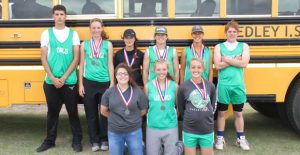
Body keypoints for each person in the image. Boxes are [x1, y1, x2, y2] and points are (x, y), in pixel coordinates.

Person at [36, 5, 82, 152]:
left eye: (62, 14)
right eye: (57, 14)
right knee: (52, 113)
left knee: (73, 112)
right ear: (53, 16)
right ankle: (50, 141)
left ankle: (77, 141)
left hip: (69, 81)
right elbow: (43, 58)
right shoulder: (46, 34)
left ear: (66, 16)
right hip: (51, 82)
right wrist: (53, 78)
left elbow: (76, 59)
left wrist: (62, 78)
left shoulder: (73, 34)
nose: (60, 17)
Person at [78, 18, 114, 151]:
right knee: (91, 113)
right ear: (90, 29)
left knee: (104, 112)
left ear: (102, 28)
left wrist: (112, 83)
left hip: (104, 82)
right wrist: (81, 84)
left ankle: (104, 139)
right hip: (89, 82)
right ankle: (94, 141)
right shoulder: (84, 45)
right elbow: (81, 65)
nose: (96, 30)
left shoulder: (108, 45)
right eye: (93, 28)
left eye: (98, 27)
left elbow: (110, 65)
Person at [214, 20, 250, 150]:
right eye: (229, 31)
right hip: (223, 85)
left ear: (238, 33)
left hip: (238, 85)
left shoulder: (244, 46)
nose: (232, 33)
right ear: (225, 33)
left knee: (238, 114)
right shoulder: (219, 47)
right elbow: (217, 65)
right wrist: (235, 59)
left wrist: (226, 59)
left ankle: (241, 139)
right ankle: (220, 139)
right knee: (221, 113)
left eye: (234, 31)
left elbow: (244, 63)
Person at [100, 63, 148, 155]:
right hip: (115, 132)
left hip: (134, 131)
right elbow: (103, 111)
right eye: (120, 74)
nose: (122, 76)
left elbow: (143, 110)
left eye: (125, 74)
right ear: (115, 76)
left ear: (129, 76)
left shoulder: (138, 91)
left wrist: (132, 118)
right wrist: (115, 119)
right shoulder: (109, 92)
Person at [178, 58, 216, 155]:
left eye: (199, 67)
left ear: (203, 69)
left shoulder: (210, 86)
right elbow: (181, 108)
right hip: (189, 129)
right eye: (193, 67)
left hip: (206, 128)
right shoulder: (183, 86)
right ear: (189, 69)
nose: (196, 70)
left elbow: (212, 104)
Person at [144, 59, 179, 155]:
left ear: (168, 70)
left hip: (170, 125)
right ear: (154, 70)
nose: (161, 72)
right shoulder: (148, 86)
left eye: (164, 69)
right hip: (153, 126)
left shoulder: (174, 86)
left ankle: (179, 147)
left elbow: (177, 106)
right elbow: (146, 105)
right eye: (158, 69)